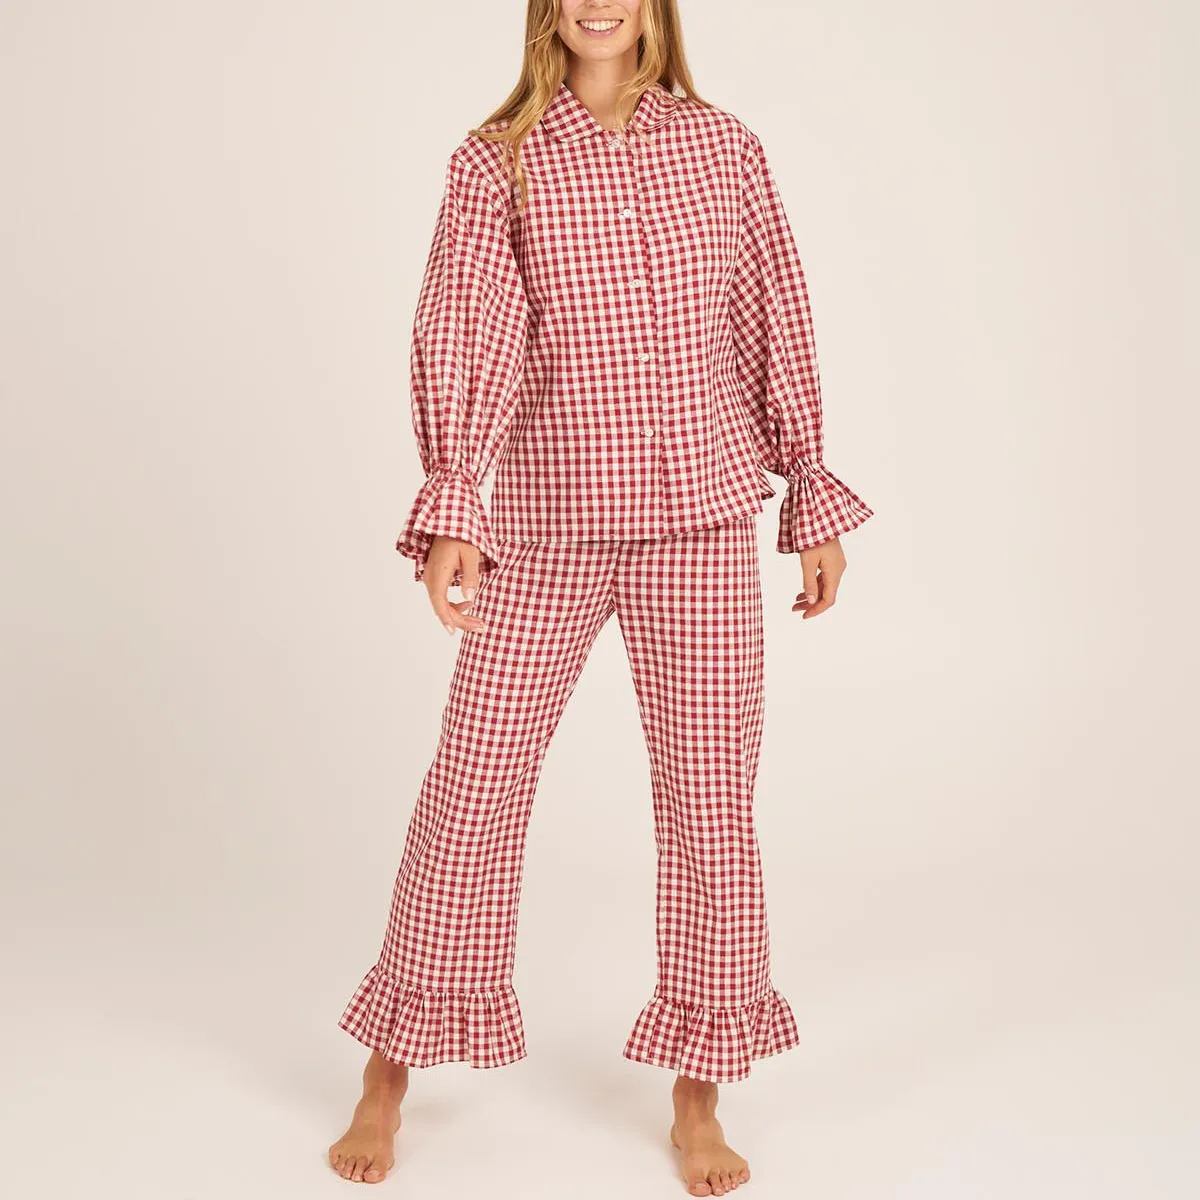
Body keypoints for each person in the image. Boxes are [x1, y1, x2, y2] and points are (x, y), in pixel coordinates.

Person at [327, 0, 874, 1193]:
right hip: (551, 515)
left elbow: (771, 310)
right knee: (474, 779)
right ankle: (389, 1062)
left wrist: (810, 490)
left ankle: (699, 1089)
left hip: (702, 519)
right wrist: (455, 501)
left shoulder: (723, 147)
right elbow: (469, 325)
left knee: (710, 802)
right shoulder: (498, 159)